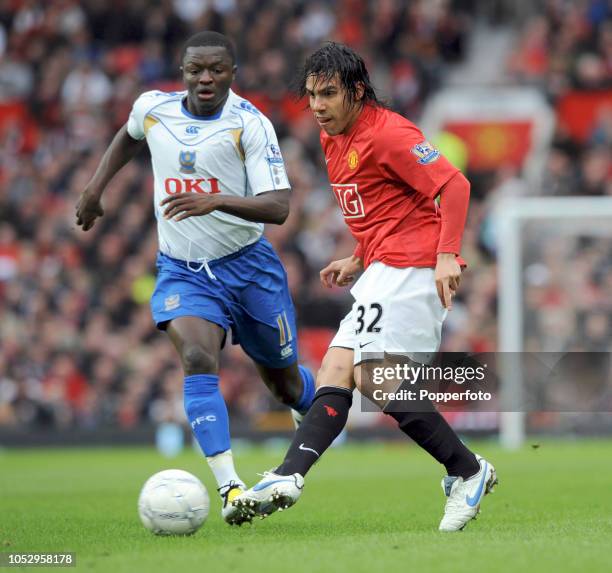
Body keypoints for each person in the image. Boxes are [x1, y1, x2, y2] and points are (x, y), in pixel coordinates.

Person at [233, 43, 497, 532]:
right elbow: (384, 208)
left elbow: (453, 186)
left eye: (328, 93)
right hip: (382, 268)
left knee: (375, 378)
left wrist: (446, 255)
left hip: (415, 265)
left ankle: (468, 470)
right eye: (311, 94)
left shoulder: (390, 132)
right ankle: (289, 476)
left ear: (356, 91)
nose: (317, 105)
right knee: (336, 367)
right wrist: (358, 257)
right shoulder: (333, 138)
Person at [75, 31, 315, 525]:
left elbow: (280, 207)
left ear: (232, 74)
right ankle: (231, 488)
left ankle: (320, 407)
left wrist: (216, 200)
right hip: (183, 270)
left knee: (285, 385)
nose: (205, 78)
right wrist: (96, 188)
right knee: (198, 355)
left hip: (249, 268)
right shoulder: (153, 108)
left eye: (216, 70)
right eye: (195, 70)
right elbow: (129, 133)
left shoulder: (250, 125)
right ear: (182, 73)